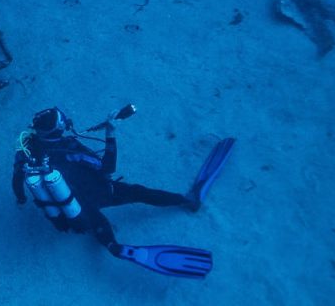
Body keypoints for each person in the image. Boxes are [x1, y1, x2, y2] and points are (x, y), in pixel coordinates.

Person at [12, 105, 235, 279]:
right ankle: (187, 200)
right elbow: (107, 168)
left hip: (67, 208)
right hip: (98, 193)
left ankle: (112, 245)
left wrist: (21, 200)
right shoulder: (70, 149)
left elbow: (17, 180)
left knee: (96, 222)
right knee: (139, 193)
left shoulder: (27, 151)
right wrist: (111, 133)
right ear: (60, 128)